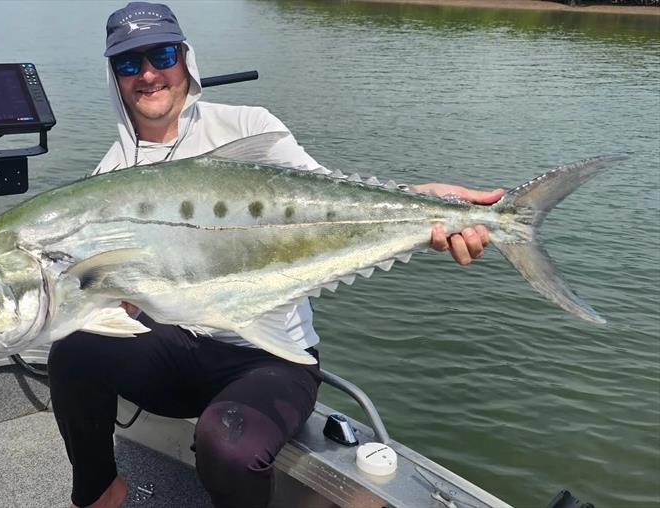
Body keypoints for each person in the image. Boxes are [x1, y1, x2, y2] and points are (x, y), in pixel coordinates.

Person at [48, 3, 505, 507]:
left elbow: (329, 203)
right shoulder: (107, 177)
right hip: (178, 348)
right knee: (71, 352)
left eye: (162, 54)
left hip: (271, 357)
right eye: (129, 63)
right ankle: (100, 494)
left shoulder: (248, 126)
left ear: (186, 59)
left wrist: (424, 205)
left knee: (228, 447)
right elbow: (116, 305)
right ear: (114, 75)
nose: (149, 74)